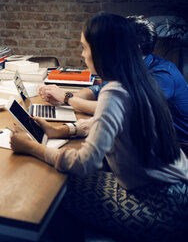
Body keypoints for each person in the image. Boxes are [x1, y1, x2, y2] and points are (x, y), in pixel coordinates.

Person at [10, 13, 188, 241]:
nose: (82, 54)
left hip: (158, 209)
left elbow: (85, 163)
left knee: (53, 192)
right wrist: (64, 130)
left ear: (104, 51)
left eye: (85, 47)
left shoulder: (115, 92)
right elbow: (109, 122)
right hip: (177, 196)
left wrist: (31, 148)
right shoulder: (138, 81)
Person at [38, 15, 188, 145]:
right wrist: (65, 96)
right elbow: (98, 90)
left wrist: (67, 98)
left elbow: (118, 108)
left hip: (175, 145)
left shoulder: (163, 76)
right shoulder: (124, 64)